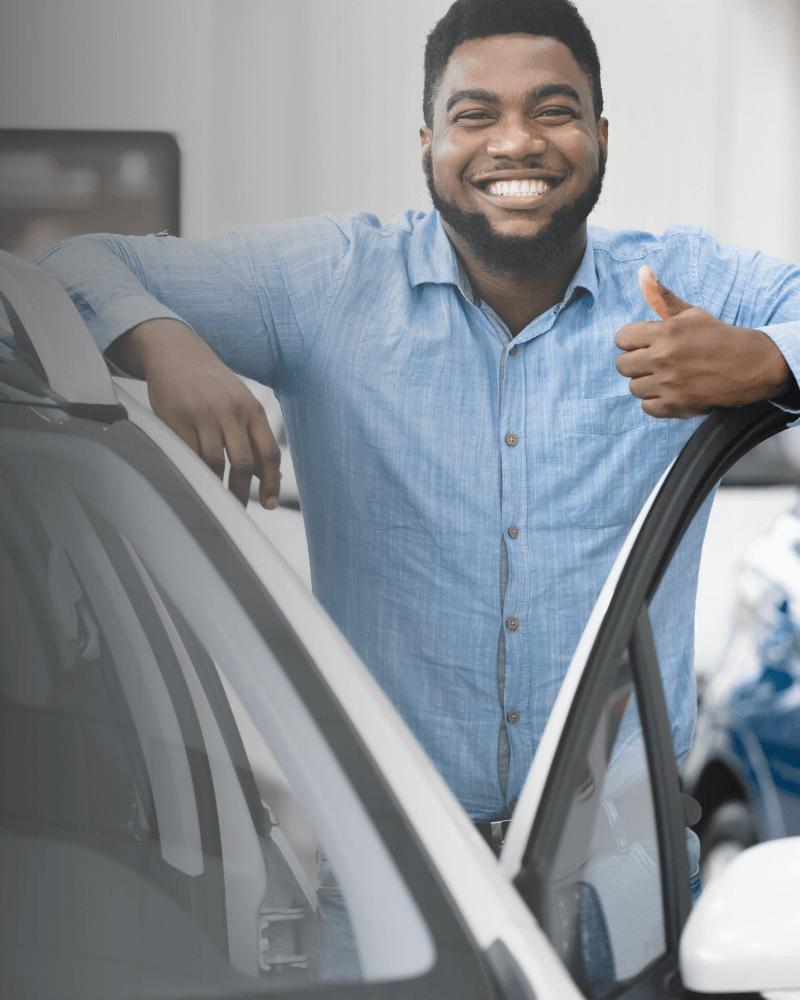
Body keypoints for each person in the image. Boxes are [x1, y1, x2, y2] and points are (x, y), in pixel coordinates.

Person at [36, 0, 800, 980]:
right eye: (475, 113)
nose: (515, 141)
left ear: (600, 136)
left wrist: (769, 356)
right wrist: (162, 339)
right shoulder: (329, 283)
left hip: (625, 890)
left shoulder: (686, 284)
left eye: (552, 109)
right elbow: (66, 268)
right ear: (427, 140)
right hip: (389, 887)